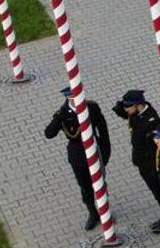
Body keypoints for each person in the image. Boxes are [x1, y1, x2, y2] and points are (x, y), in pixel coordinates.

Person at [43, 87, 113, 231]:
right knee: (85, 186)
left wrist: (105, 152)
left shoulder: (91, 107)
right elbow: (49, 134)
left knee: (100, 182)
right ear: (69, 98)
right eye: (75, 98)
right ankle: (93, 213)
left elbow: (103, 129)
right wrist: (58, 119)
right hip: (77, 154)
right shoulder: (62, 113)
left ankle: (105, 211)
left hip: (95, 149)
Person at [112, 90, 160, 232]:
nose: (126, 109)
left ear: (138, 105)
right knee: (155, 190)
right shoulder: (136, 112)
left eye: (128, 106)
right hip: (141, 160)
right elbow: (124, 113)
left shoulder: (151, 120)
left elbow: (155, 142)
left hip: (150, 161)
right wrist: (121, 105)